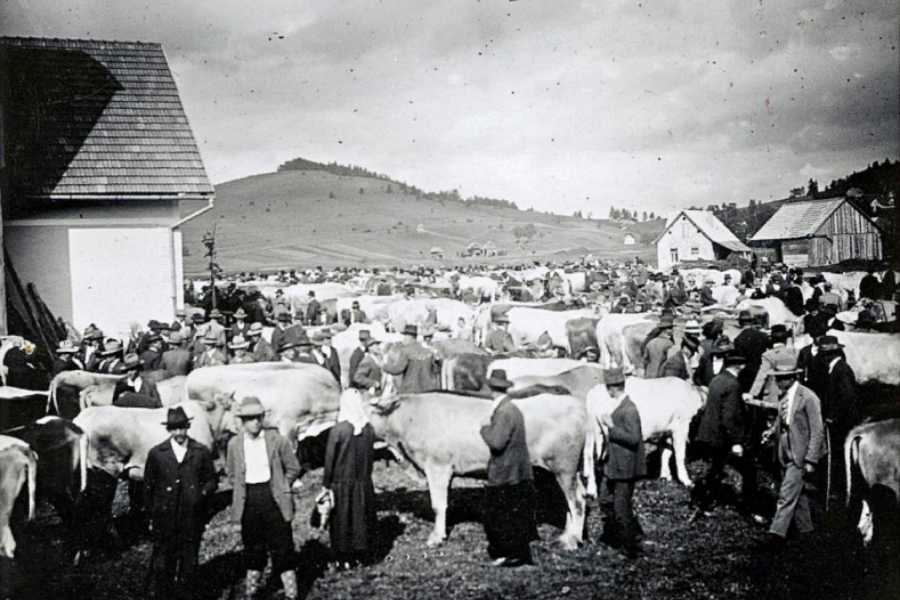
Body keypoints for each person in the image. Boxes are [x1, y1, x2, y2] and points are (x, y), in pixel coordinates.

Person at [226, 396, 301, 600]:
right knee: (253, 546)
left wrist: (283, 486)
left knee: (282, 546)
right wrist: (242, 490)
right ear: (242, 421)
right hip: (249, 500)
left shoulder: (277, 440)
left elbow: (293, 467)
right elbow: (231, 473)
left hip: (273, 497)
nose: (255, 422)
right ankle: (253, 591)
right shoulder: (234, 444)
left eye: (258, 417)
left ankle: (291, 593)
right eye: (250, 418)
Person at [143, 407, 217, 599]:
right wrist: (152, 516)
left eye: (182, 428)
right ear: (168, 430)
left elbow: (212, 479)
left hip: (191, 519)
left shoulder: (200, 451)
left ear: (188, 427)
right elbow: (148, 488)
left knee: (189, 565)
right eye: (174, 429)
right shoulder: (157, 453)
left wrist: (201, 493)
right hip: (165, 520)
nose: (178, 433)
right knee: (163, 565)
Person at [761, 366, 824, 549]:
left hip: (800, 454)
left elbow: (817, 430)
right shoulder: (785, 396)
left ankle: (775, 535)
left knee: (786, 494)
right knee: (798, 493)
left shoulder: (809, 397)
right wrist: (771, 432)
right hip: (784, 451)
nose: (778, 382)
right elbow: (783, 421)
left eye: (782, 379)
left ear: (792, 378)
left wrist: (811, 459)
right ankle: (806, 531)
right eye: (777, 379)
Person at [692, 349, 760, 520]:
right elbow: (728, 418)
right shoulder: (733, 385)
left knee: (716, 468)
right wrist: (736, 442)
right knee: (749, 470)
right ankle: (748, 509)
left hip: (711, 434)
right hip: (724, 436)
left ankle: (704, 504)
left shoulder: (717, 380)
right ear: (741, 366)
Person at [479, 369, 537, 567]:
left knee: (498, 516)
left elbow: (497, 443)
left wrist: (484, 428)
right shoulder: (511, 408)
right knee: (514, 514)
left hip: (505, 472)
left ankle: (510, 554)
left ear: (490, 388)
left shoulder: (503, 412)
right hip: (516, 470)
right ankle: (519, 553)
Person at [322, 390, 377, 569]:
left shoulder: (339, 430)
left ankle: (342, 558)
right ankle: (361, 556)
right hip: (363, 481)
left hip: (341, 483)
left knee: (342, 521)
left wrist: (326, 484)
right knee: (361, 519)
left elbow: (330, 459)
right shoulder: (369, 429)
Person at [597, 367, 647, 559]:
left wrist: (611, 427)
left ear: (611, 388)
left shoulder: (629, 409)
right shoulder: (621, 405)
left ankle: (629, 549)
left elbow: (634, 439)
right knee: (605, 500)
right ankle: (618, 537)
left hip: (625, 468)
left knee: (621, 509)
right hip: (614, 464)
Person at [818, 335, 859, 500]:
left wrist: (834, 416)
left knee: (842, 455)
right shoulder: (834, 369)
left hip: (844, 421)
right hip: (840, 419)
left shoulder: (841, 370)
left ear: (830, 355)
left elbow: (847, 396)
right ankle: (840, 487)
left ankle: (843, 490)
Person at [381, 325, 440, 393]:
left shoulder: (406, 351)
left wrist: (383, 366)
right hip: (428, 389)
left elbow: (397, 369)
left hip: (411, 389)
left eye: (405, 337)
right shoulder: (428, 352)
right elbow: (435, 370)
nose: (404, 339)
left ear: (409, 337)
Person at [747, 324, 798, 399]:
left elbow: (762, 375)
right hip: (793, 393)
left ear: (772, 339)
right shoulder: (795, 353)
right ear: (786, 339)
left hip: (774, 394)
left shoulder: (768, 355)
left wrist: (752, 394)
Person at [734, 311, 769, 392]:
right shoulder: (763, 336)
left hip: (746, 373)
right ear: (752, 322)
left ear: (740, 323)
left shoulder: (739, 339)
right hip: (761, 370)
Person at [642, 314, 674, 379]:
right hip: (661, 376)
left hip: (649, 375)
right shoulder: (669, 344)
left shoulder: (650, 342)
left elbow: (645, 359)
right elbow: (670, 362)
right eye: (670, 328)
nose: (672, 330)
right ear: (665, 330)